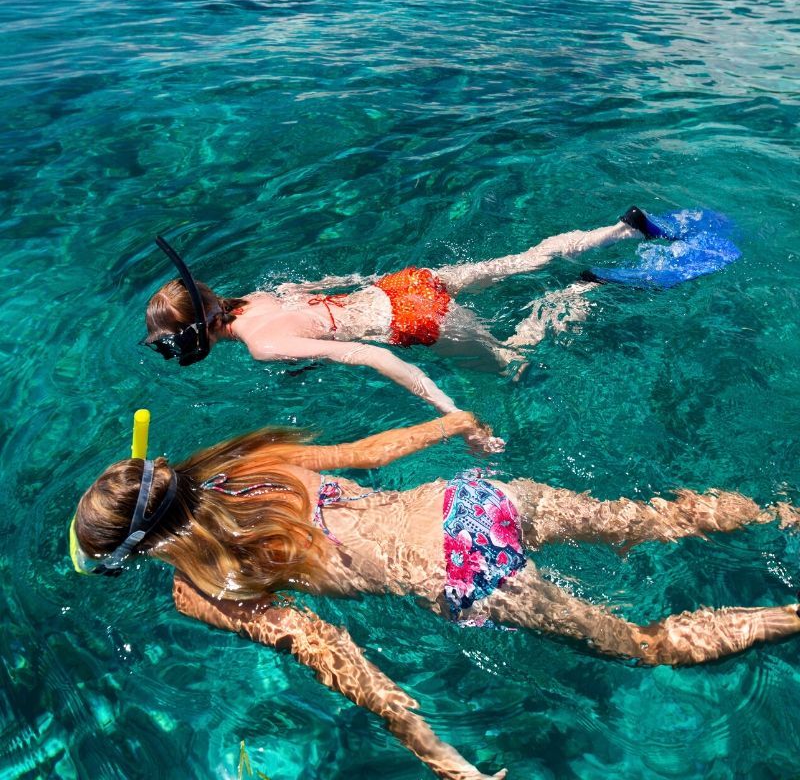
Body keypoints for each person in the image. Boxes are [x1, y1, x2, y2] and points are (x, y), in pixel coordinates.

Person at [72, 413, 800, 780]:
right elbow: (374, 453)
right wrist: (457, 423)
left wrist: (437, 754)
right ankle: (780, 514)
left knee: (649, 647)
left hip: (460, 569)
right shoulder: (248, 462)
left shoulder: (199, 588)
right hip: (470, 499)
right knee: (651, 521)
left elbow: (333, 652)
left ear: (141, 552)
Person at [144, 209, 666, 419]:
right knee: (524, 260)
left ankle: (575, 295)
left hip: (413, 323)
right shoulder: (253, 298)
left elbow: (369, 357)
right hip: (403, 285)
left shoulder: (262, 347)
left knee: (515, 362)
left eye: (173, 342)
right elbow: (321, 290)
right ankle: (624, 228)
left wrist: (446, 408)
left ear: (202, 330)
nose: (175, 352)